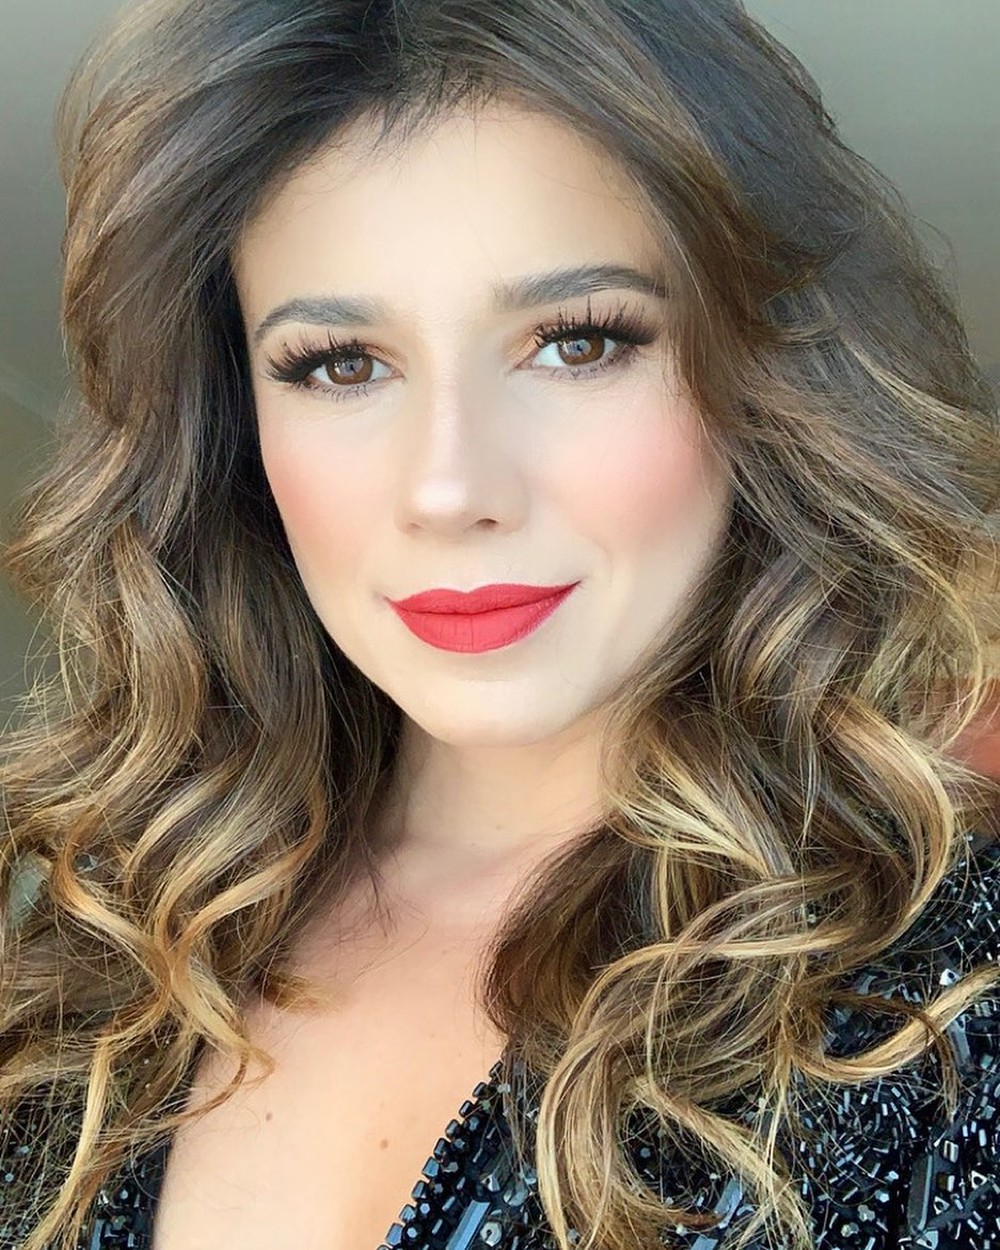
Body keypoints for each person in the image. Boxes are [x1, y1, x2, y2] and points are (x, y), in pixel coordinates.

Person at [1, 1, 998, 1247]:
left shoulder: (951, 1000)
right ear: (236, 426)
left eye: (575, 344)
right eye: (341, 363)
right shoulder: (105, 948)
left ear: (765, 371)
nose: (450, 488)